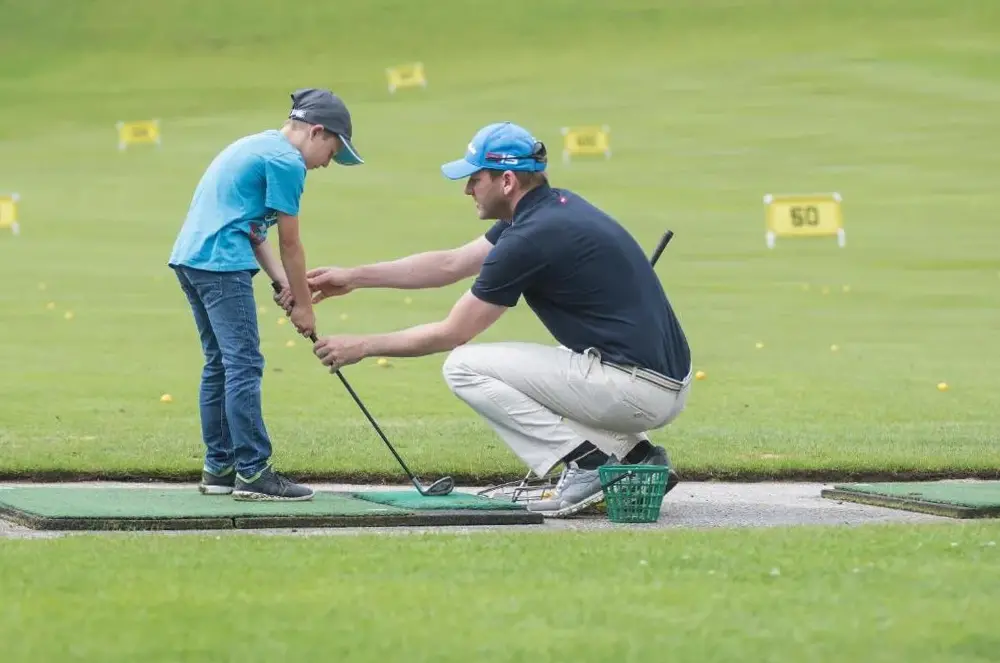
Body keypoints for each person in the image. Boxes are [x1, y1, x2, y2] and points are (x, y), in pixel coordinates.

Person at [307, 121, 692, 518]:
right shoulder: (548, 210)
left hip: (634, 388)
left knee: (463, 366)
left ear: (507, 181)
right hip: (658, 384)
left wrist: (363, 346)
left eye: (475, 179)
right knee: (546, 365)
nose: (467, 189)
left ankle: (587, 465)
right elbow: (452, 264)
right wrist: (354, 277)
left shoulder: (529, 237)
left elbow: (452, 332)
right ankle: (637, 455)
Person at [167, 88, 364, 501]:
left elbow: (254, 231)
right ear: (316, 131)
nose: (327, 163)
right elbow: (290, 243)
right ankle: (254, 471)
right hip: (222, 263)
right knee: (244, 363)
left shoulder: (256, 145)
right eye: (331, 151)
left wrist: (285, 285)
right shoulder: (287, 162)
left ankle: (220, 468)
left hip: (192, 259)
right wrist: (305, 307)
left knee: (220, 363)